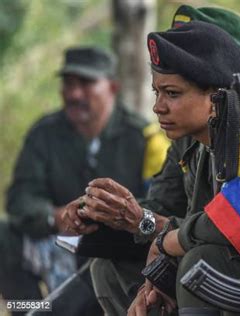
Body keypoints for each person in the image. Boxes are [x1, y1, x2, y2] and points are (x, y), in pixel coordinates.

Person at [74, 20, 240, 315]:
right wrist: (157, 277)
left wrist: (168, 240)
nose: (158, 107)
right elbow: (205, 219)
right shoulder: (206, 144)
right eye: (157, 93)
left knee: (202, 260)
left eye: (173, 94)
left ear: (215, 99)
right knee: (114, 266)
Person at [0, 46, 169, 310]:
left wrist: (103, 216)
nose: (74, 93)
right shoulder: (44, 133)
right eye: (68, 84)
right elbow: (20, 198)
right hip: (56, 240)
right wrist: (54, 217)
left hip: (115, 244)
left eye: (86, 83)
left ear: (112, 87)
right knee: (4, 234)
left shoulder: (143, 137)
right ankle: (30, 311)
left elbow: (159, 202)